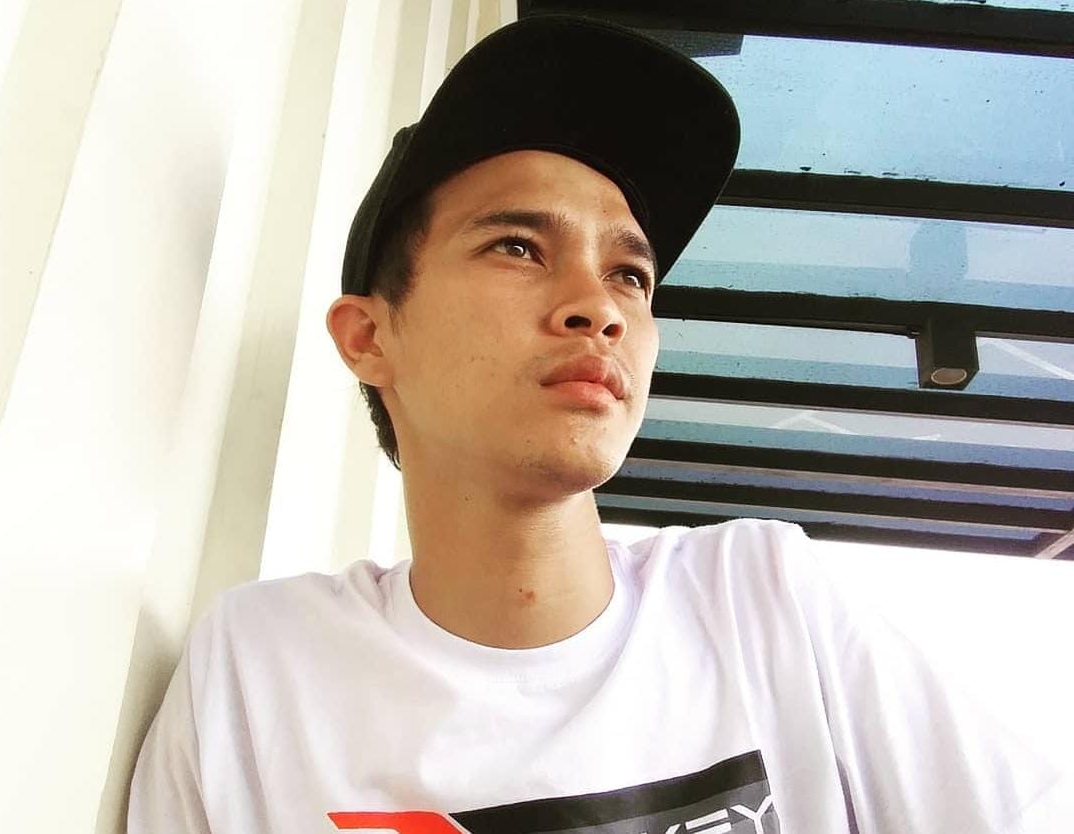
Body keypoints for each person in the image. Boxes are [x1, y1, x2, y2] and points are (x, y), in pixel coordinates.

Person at [129, 15, 1065, 834]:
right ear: (371, 337)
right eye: (517, 245)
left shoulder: (762, 599)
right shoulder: (260, 673)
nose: (600, 307)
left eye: (630, 274)